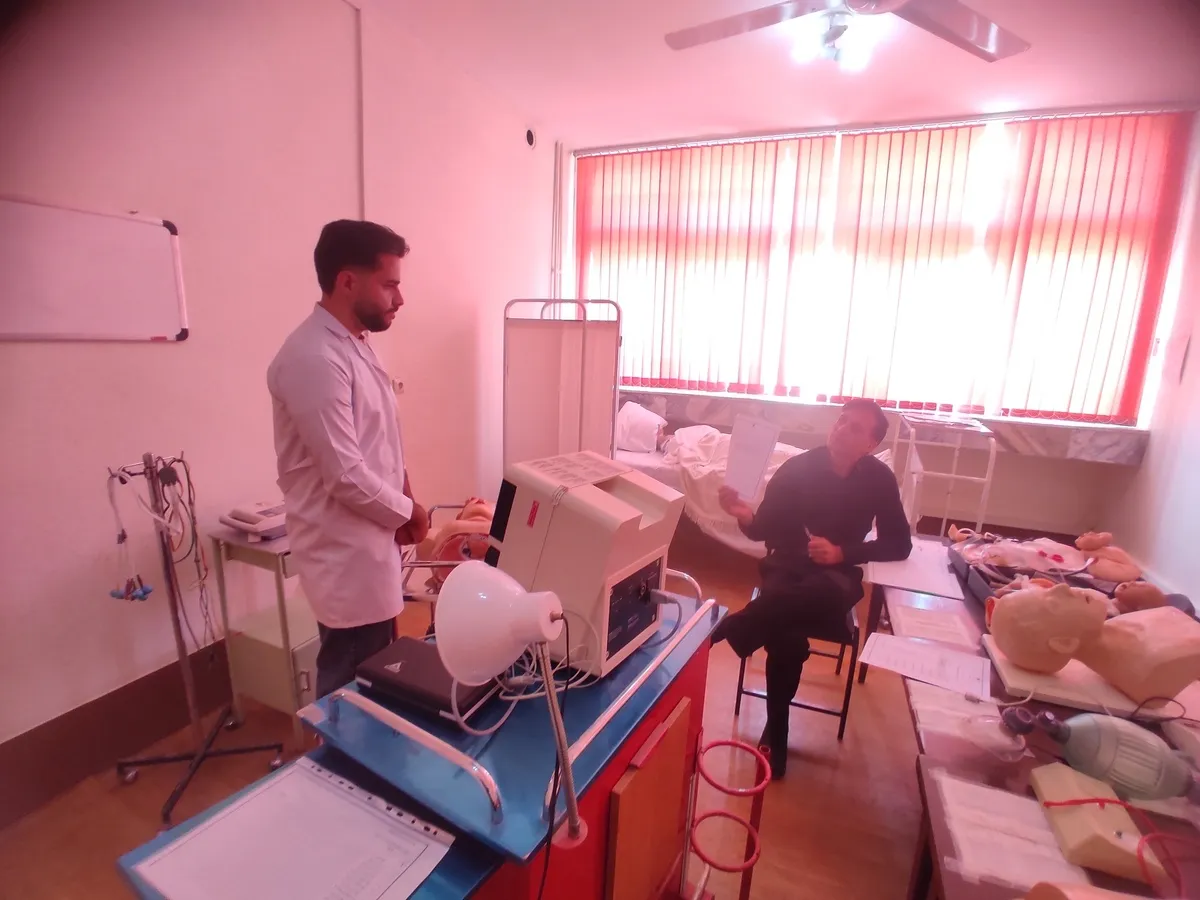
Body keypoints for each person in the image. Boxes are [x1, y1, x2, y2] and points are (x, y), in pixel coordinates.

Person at [267, 219, 430, 699]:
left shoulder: (354, 343)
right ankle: (335, 749)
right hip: (345, 556)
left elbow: (381, 440)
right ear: (346, 281)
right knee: (351, 687)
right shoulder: (313, 358)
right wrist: (409, 512)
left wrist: (405, 493)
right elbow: (345, 475)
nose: (400, 299)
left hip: (369, 545)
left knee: (377, 673)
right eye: (389, 285)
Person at [712, 399, 912, 778]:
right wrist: (744, 517)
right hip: (786, 566)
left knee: (816, 600)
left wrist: (843, 553)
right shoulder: (797, 469)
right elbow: (762, 529)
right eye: (842, 421)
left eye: (855, 428)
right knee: (787, 634)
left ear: (871, 444)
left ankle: (734, 626)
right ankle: (777, 733)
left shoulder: (879, 479)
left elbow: (900, 544)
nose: (842, 429)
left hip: (834, 577)